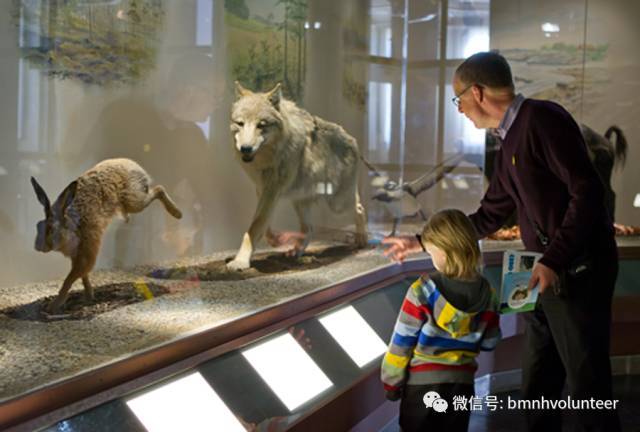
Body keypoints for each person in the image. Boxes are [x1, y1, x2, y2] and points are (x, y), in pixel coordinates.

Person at [382, 51, 620, 431]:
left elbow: (588, 191)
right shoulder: (509, 140)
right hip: (546, 277)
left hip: (576, 272)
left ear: (476, 92)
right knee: (539, 379)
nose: (458, 109)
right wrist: (420, 241)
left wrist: (553, 259)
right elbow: (490, 214)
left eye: (457, 99)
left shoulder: (542, 119)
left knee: (586, 383)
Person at [381, 209, 501, 432]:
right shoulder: (488, 293)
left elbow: (401, 344)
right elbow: (490, 342)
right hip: (462, 385)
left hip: (422, 388)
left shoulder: (422, 291)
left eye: (431, 252)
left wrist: (391, 382)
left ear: (444, 253)